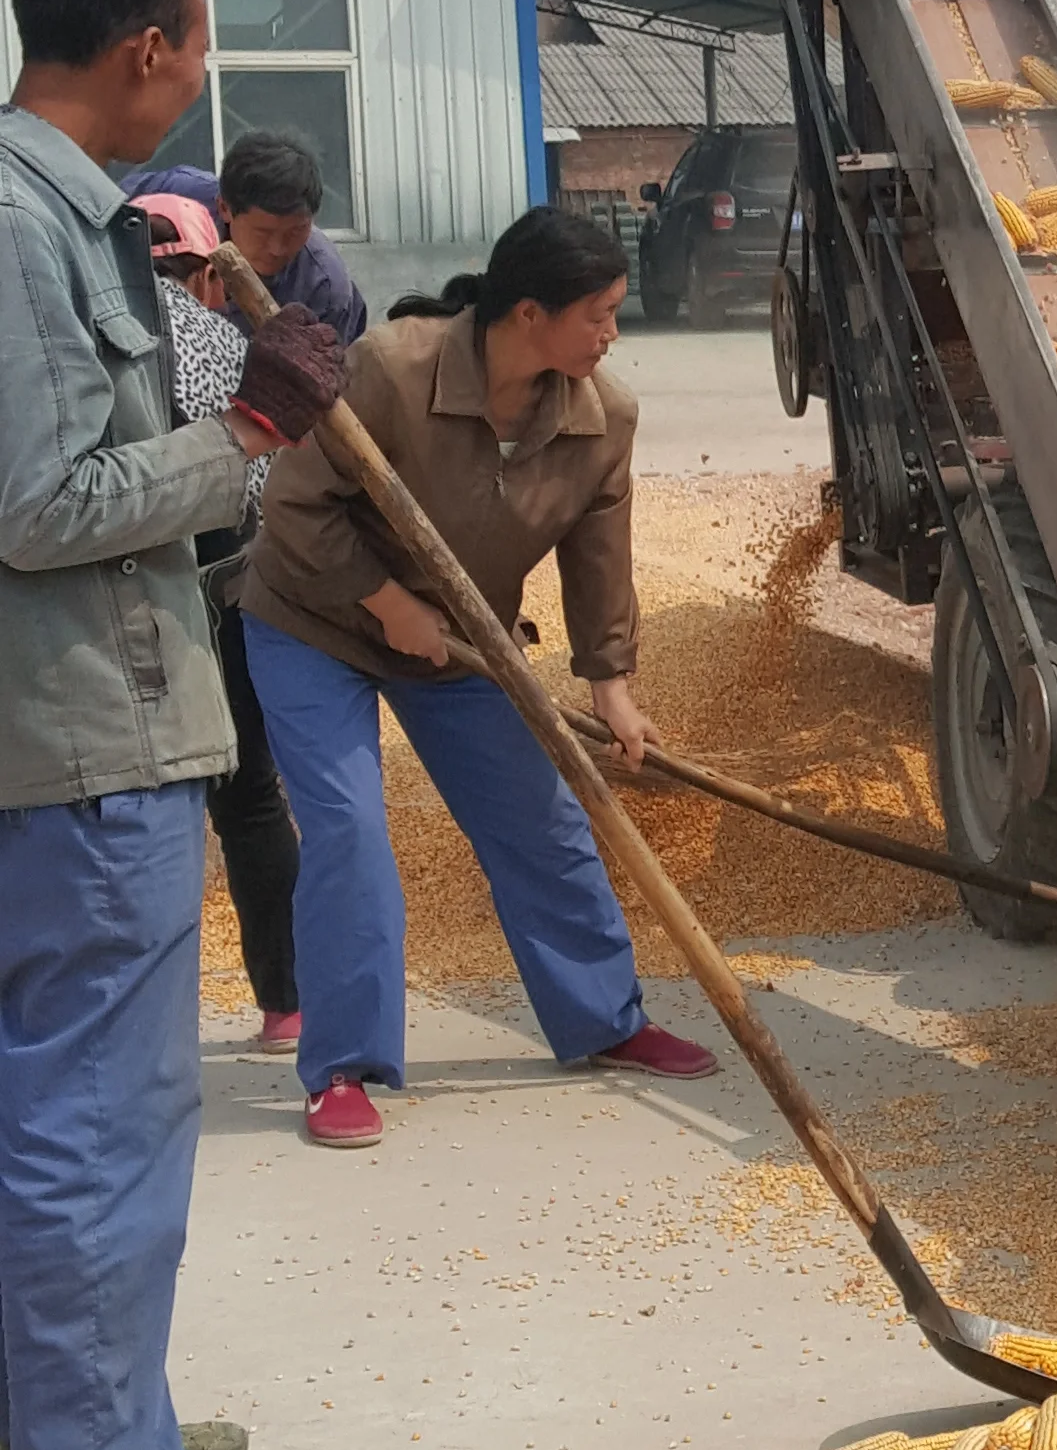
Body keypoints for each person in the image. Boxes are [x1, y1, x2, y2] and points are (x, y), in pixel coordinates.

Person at [0, 0, 346, 1450]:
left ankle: (76, 1418)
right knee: (94, 1121)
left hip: (74, 734)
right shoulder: (19, 224)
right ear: (146, 49)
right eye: (198, 51)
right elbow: (37, 503)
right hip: (82, 745)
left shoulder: (78, 223)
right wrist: (251, 436)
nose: (196, 84)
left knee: (48, 1110)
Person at [241, 205, 720, 1148]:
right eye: (599, 314)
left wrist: (610, 683)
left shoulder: (601, 417)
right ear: (529, 314)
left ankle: (605, 1022)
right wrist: (388, 604)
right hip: (315, 623)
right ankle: (342, 1065)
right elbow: (296, 512)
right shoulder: (390, 367)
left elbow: (598, 549)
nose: (612, 335)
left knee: (542, 822)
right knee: (349, 831)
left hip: (462, 642)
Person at [133, 192, 304, 1054]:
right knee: (247, 798)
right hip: (223, 596)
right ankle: (285, 1003)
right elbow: (263, 487)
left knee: (136, 812)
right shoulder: (218, 338)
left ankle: (146, 1022)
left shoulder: (81, 337)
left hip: (105, 608)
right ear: (207, 274)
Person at [130, 125, 368, 344]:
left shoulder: (325, 288)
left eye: (296, 231)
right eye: (262, 232)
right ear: (224, 208)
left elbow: (325, 382)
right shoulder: (180, 196)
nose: (277, 248)